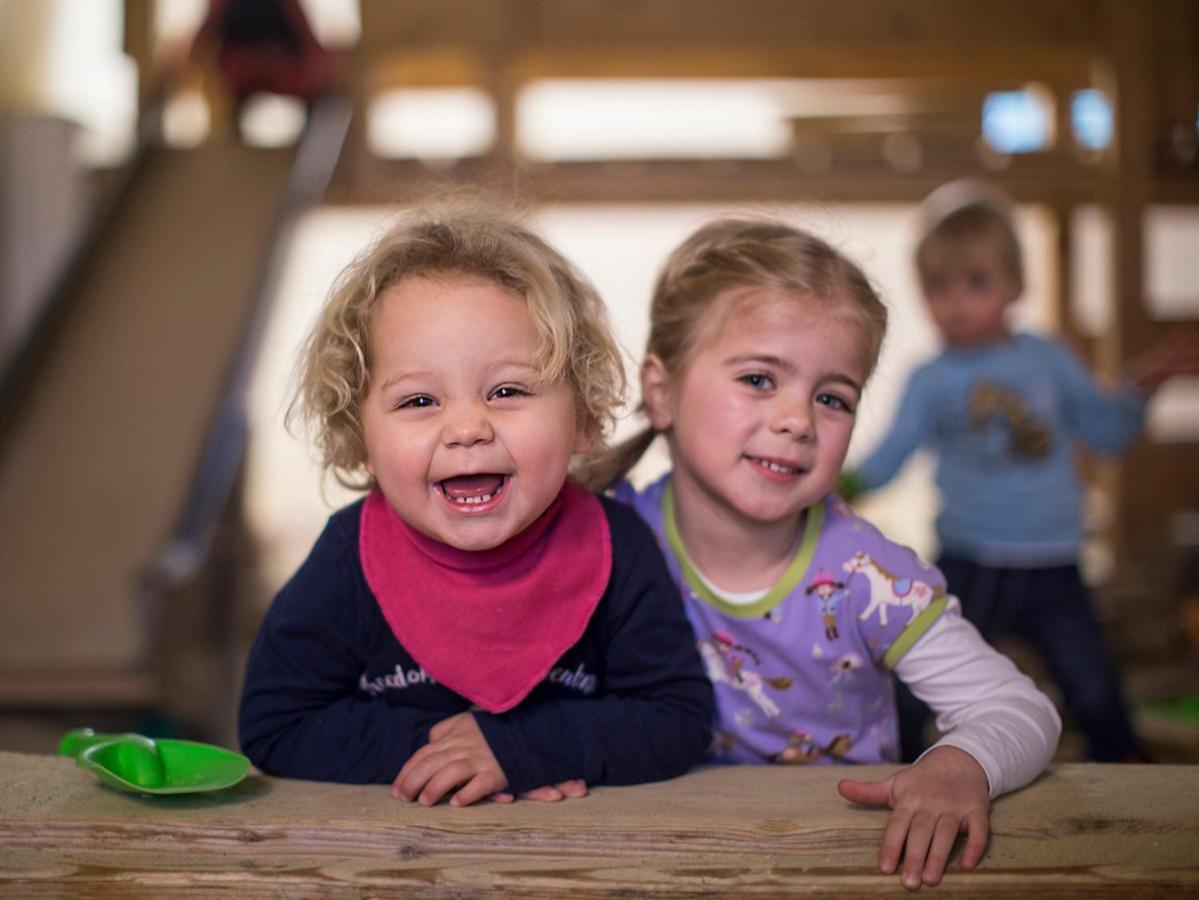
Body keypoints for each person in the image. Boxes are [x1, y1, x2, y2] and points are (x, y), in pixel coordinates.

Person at [582, 216, 1061, 890]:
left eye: (831, 397)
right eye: (757, 379)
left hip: (832, 870)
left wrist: (959, 764)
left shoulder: (867, 577)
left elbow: (1020, 711)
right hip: (656, 866)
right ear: (660, 391)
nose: (797, 420)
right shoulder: (599, 542)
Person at [239, 206, 714, 808]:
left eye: (508, 391)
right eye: (418, 400)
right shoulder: (348, 556)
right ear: (360, 439)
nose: (467, 428)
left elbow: (677, 720)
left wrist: (524, 747)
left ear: (585, 418)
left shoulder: (618, 548)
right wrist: (461, 755)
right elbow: (275, 724)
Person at [847, 180, 1199, 765]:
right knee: (915, 687)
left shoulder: (1048, 359)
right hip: (970, 557)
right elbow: (887, 460)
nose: (956, 302)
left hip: (1053, 561)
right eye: (938, 288)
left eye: (976, 284)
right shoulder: (931, 378)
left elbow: (1107, 433)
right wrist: (832, 487)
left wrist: (1141, 386)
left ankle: (1136, 790)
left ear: (1015, 285)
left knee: (1094, 689)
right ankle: (895, 770)